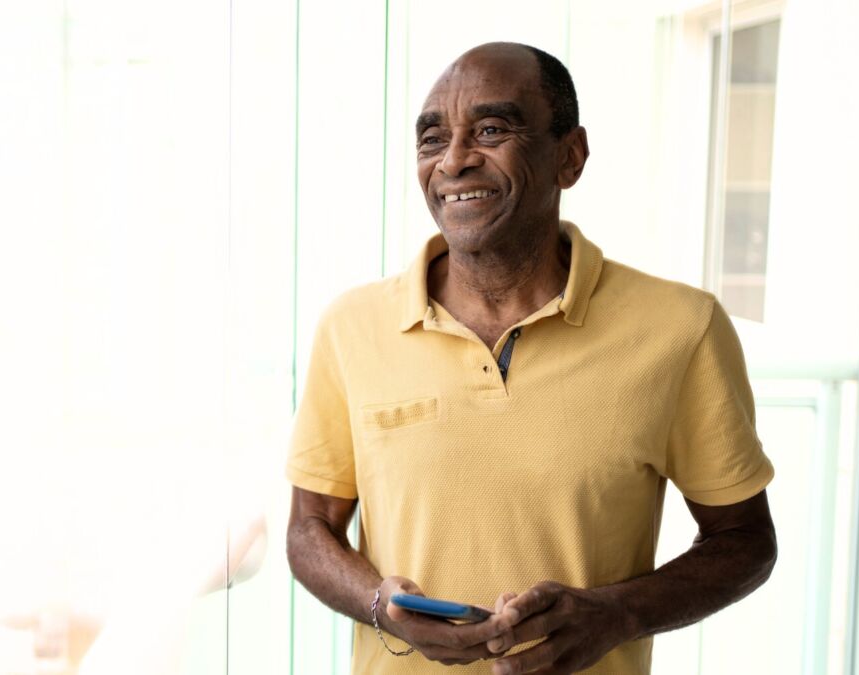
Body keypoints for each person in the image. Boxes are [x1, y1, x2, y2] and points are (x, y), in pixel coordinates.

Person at [285, 42, 777, 675]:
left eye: (491, 130)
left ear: (568, 157)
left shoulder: (682, 328)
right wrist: (381, 604)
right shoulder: (352, 327)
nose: (455, 161)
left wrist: (618, 614)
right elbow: (309, 530)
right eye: (432, 140)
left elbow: (745, 541)